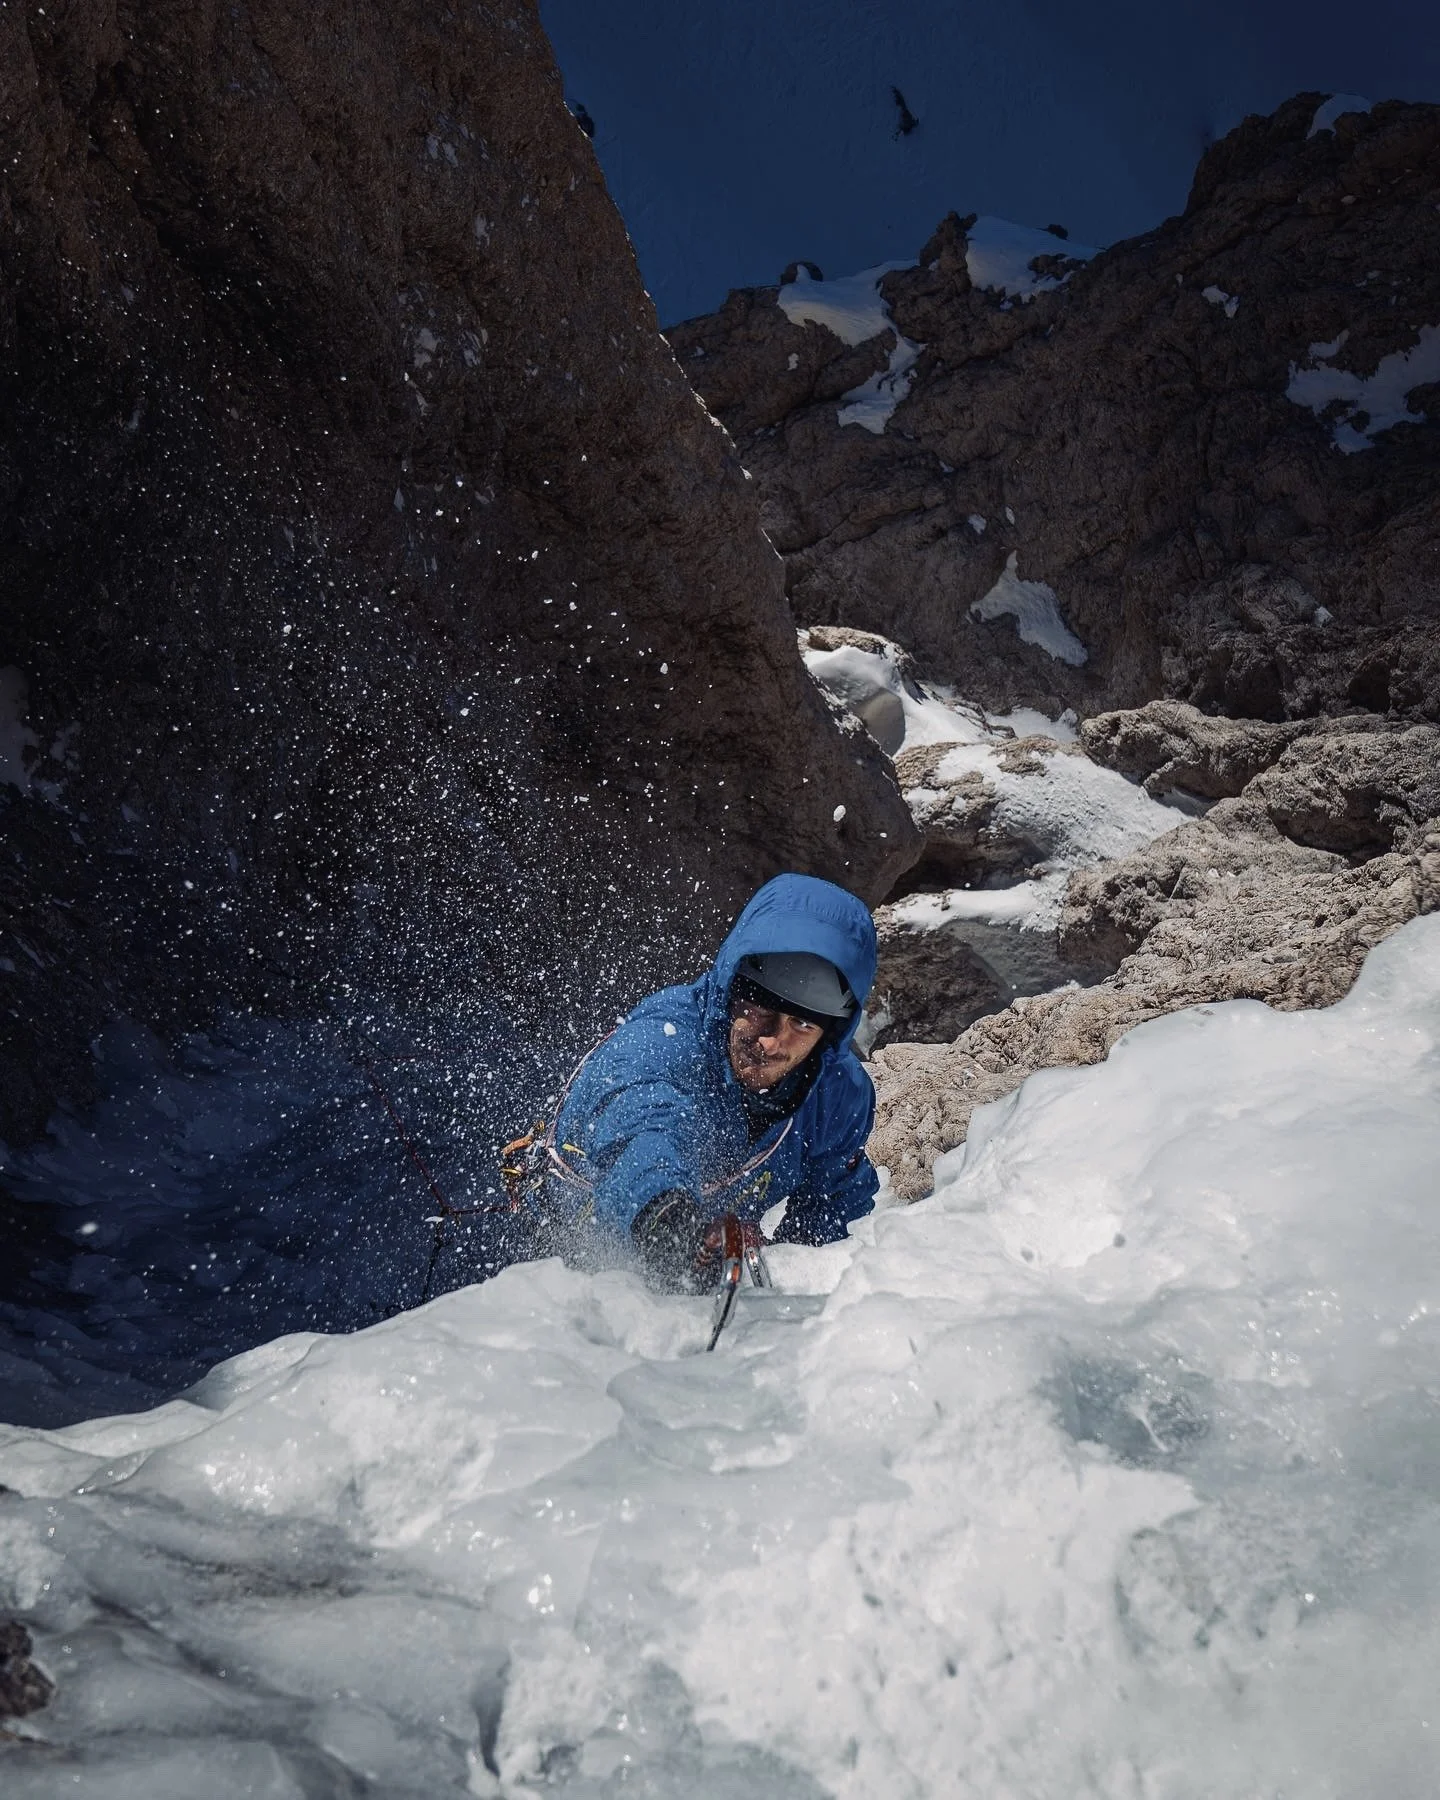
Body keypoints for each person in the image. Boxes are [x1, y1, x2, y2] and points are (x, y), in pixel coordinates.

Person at [530, 873, 880, 1290]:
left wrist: (793, 1277)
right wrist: (667, 1219)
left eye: (801, 1024)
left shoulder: (837, 1093)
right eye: (760, 1008)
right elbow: (640, 1125)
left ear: (831, 1033)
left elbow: (834, 1203)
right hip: (570, 1255)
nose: (770, 1039)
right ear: (733, 987)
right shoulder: (661, 1041)